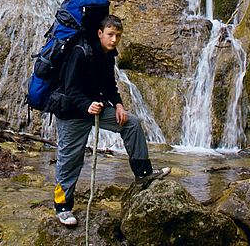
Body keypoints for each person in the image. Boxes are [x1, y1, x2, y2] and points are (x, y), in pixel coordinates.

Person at [52, 14, 170, 227]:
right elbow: (70, 88)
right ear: (100, 33)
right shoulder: (81, 51)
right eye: (110, 35)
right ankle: (62, 207)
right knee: (70, 159)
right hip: (72, 112)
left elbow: (109, 86)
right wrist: (86, 104)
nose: (114, 40)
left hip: (96, 108)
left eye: (118, 35)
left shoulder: (108, 56)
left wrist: (118, 105)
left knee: (131, 123)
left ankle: (144, 174)